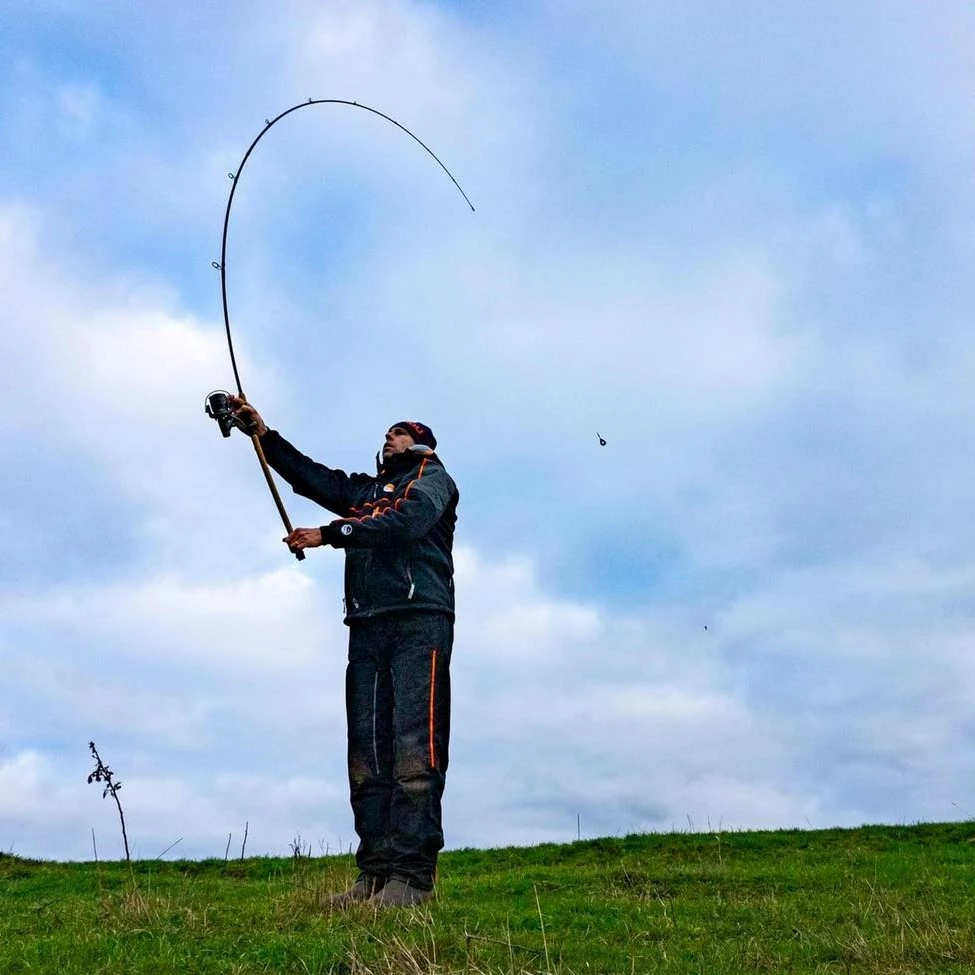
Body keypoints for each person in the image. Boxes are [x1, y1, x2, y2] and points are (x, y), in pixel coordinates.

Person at [229, 397, 458, 908]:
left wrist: (331, 534)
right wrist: (262, 434)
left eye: (397, 433)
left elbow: (406, 524)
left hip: (420, 620)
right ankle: (374, 876)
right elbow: (313, 478)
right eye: (386, 434)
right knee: (367, 753)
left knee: (413, 748)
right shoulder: (365, 491)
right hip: (366, 624)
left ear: (419, 441)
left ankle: (412, 879)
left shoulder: (433, 480)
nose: (388, 439)